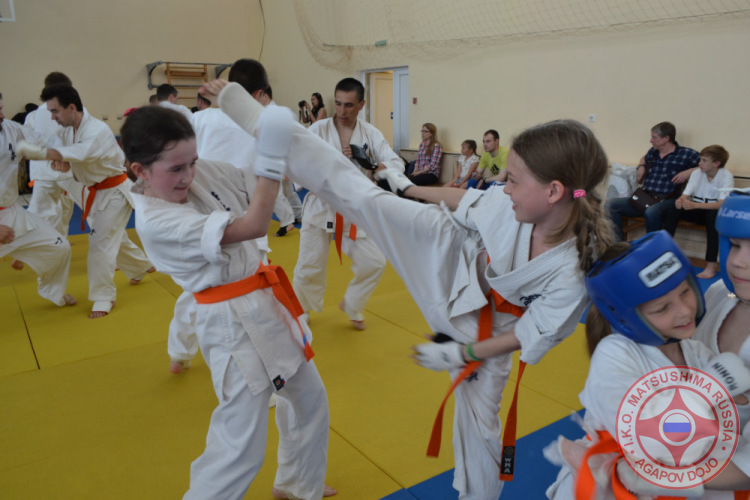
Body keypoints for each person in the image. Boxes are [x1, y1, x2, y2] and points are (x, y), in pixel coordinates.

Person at [209, 65, 614, 499]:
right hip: (447, 252)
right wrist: (405, 190)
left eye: (513, 180)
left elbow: (526, 335)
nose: (504, 186)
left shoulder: (573, 273)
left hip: (489, 331)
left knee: (480, 426)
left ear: (554, 192)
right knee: (362, 195)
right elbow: (468, 198)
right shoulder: (512, 203)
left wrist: (462, 353)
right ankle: (260, 120)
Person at [121, 104, 335, 500]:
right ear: (140, 170)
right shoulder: (157, 221)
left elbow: (251, 183)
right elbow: (254, 224)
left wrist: (266, 138)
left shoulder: (198, 174)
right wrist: (271, 157)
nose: (189, 175)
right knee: (241, 445)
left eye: (193, 162)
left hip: (265, 302)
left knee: (309, 399)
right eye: (176, 168)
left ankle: (297, 483)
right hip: (229, 324)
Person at [546, 231, 750, 499]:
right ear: (627, 318)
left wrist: (741, 399)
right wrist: (709, 390)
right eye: (662, 308)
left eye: (685, 292)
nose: (684, 311)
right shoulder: (614, 355)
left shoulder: (696, 352)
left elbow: (728, 424)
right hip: (608, 489)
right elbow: (653, 439)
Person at [17, 84, 154, 319]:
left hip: (114, 192)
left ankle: (104, 296)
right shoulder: (68, 130)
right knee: (111, 236)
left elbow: (79, 153)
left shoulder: (96, 131)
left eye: (55, 111)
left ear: (71, 107)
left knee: (100, 242)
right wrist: (63, 164)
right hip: (94, 191)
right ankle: (140, 266)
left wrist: (38, 153)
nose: (52, 117)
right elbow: (65, 153)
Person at [294, 77, 403, 330]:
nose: (342, 111)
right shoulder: (318, 130)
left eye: (349, 105)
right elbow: (296, 161)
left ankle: (353, 303)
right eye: (338, 103)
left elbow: (396, 164)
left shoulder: (370, 133)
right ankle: (300, 309)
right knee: (309, 265)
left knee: (374, 262)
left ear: (362, 104)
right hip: (320, 206)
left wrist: (372, 164)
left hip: (353, 208)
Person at [0, 91, 76, 307]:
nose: (2, 115)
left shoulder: (10, 128)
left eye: (1, 109)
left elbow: (43, 140)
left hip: (11, 211)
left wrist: (62, 156)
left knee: (59, 247)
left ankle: (53, 291)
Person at [607, 121, 700, 240]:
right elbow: (643, 158)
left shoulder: (686, 154)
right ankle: (618, 245)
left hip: (668, 200)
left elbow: (709, 165)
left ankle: (653, 248)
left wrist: (689, 172)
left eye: (654, 137)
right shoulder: (653, 151)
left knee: (651, 212)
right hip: (645, 198)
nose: (651, 140)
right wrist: (641, 166)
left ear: (666, 138)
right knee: (611, 204)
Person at [662, 144, 734, 279]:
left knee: (713, 217)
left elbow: (722, 204)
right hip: (697, 209)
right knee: (673, 209)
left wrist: (695, 205)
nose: (700, 163)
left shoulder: (726, 176)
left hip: (713, 211)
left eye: (704, 161)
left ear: (716, 164)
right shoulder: (696, 173)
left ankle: (711, 265)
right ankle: (664, 254)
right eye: (700, 159)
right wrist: (680, 201)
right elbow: (686, 194)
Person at [25, 72, 82, 239]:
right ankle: (56, 241)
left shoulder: (33, 115)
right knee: (65, 212)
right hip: (62, 169)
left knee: (49, 213)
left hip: (47, 171)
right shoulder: (70, 111)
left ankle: (56, 243)